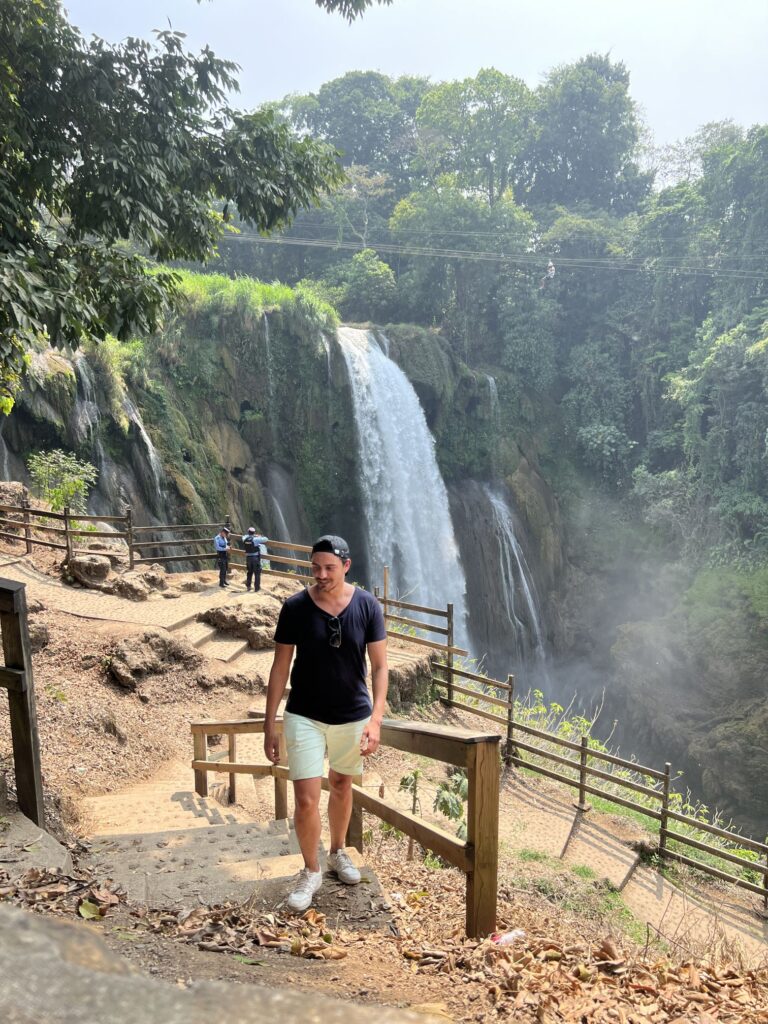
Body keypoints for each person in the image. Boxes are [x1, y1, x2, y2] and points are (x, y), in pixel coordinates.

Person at [264, 534, 388, 913]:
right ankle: (311, 870)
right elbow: (280, 666)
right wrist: (269, 723)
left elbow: (381, 666)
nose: (321, 574)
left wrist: (377, 718)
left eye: (329, 568)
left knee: (340, 783)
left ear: (346, 567)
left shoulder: (367, 606)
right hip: (304, 713)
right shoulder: (295, 608)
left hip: (352, 714)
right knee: (305, 797)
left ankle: (337, 852)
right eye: (315, 567)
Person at [241, 526, 268, 592]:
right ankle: (257, 588)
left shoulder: (244, 538)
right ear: (254, 533)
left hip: (248, 558)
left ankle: (248, 586)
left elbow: (244, 536)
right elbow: (266, 539)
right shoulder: (256, 539)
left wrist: (251, 535)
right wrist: (258, 536)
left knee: (249, 572)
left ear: (248, 532)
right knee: (257, 573)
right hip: (255, 558)